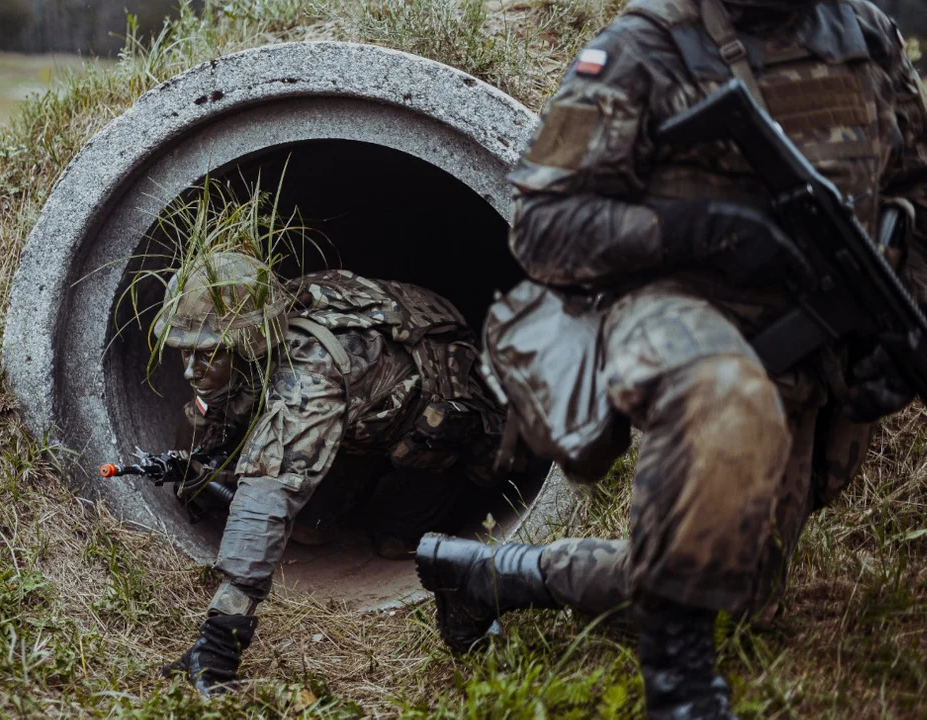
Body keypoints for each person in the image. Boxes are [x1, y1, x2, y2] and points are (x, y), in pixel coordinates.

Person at [415, 0, 927, 717]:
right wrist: (697, 228)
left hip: (806, 330)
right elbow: (541, 225)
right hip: (666, 315)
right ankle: (681, 690)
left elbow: (914, 183)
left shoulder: (865, 33)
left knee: (732, 583)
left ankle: (492, 575)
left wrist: (902, 318)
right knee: (721, 391)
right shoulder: (650, 43)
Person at [153, 252, 511, 696]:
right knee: (310, 530)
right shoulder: (262, 317)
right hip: (359, 418)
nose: (190, 370)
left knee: (395, 539)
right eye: (185, 352)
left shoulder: (310, 377)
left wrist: (219, 640)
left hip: (432, 419)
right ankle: (355, 480)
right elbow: (220, 413)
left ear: (248, 345)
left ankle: (416, 495)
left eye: (206, 354)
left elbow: (270, 491)